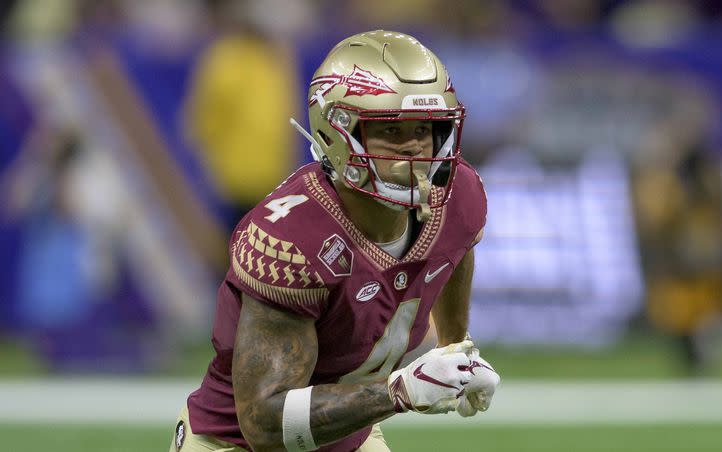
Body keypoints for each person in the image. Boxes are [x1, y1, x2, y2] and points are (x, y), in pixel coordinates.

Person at [170, 30, 501, 452]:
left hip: (347, 437)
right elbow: (265, 423)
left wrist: (457, 350)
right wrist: (399, 391)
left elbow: (457, 247)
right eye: (393, 133)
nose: (417, 149)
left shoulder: (458, 197)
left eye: (425, 129)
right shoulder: (291, 237)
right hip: (235, 443)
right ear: (338, 133)